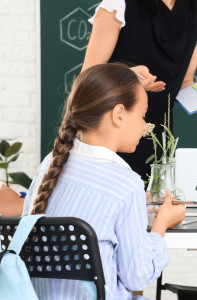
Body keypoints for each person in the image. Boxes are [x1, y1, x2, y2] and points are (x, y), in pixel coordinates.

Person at [22, 63, 186, 299]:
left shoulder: (50, 164)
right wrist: (162, 224)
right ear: (119, 114)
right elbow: (137, 276)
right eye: (142, 115)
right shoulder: (125, 183)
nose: (143, 127)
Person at [81, 0, 197, 181]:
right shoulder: (118, 5)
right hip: (108, 134)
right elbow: (87, 80)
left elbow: (185, 81)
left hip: (157, 138)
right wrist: (129, 77)